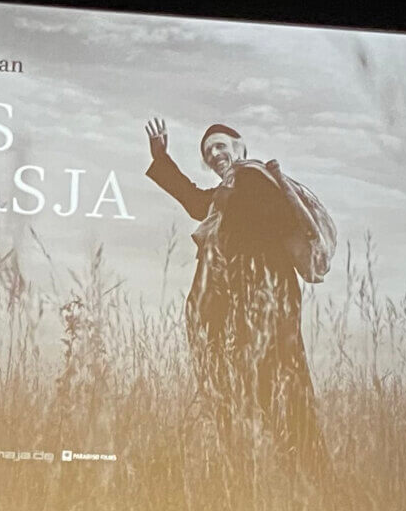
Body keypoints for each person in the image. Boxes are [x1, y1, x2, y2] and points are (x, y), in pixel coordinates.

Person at [143, 118, 334, 461]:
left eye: (220, 145)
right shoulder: (229, 192)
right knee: (268, 390)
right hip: (249, 300)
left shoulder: (253, 177)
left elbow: (269, 223)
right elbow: (197, 202)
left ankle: (302, 468)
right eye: (207, 152)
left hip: (263, 296)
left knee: (275, 387)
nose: (214, 154)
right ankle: (287, 467)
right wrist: (162, 159)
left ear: (240, 145)